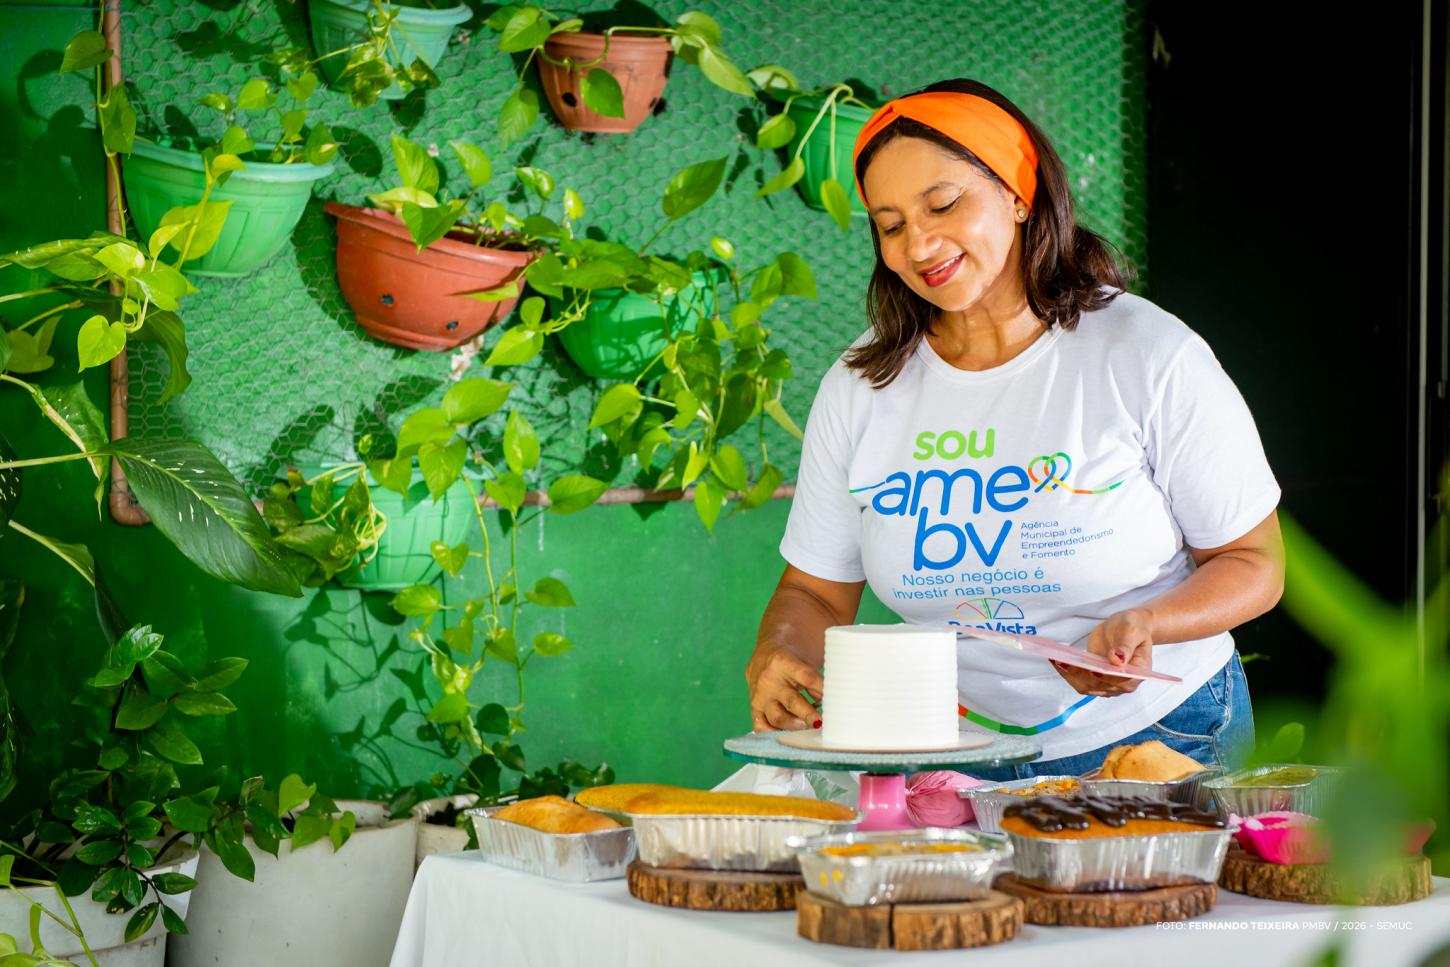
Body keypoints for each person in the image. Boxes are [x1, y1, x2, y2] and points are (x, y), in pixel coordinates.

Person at [745, 78, 1284, 780]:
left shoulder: (1147, 353)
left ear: (1018, 193)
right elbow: (815, 593)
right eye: (890, 224)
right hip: (950, 751)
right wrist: (780, 651)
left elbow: (1253, 561)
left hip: (1155, 734)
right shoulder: (862, 383)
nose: (919, 243)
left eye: (943, 204)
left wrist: (1151, 623)